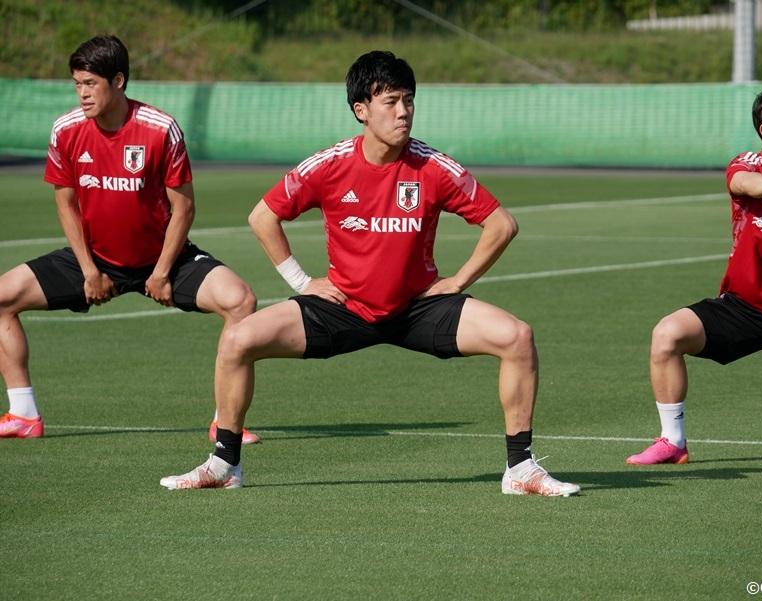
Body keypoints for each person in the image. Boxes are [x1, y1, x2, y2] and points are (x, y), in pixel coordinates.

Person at [161, 50, 580, 496]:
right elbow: (263, 216)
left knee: (517, 337)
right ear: (361, 110)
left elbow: (502, 225)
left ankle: (520, 468)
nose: (404, 112)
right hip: (343, 307)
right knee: (237, 340)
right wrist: (302, 282)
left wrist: (458, 282)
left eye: (409, 101)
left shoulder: (433, 167)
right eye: (391, 102)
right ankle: (225, 464)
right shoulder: (330, 164)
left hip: (417, 309)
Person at [0, 35, 261, 444]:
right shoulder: (66, 130)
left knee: (241, 301)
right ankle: (23, 414)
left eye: (91, 83)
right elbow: (66, 204)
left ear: (118, 81)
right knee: (2, 297)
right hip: (95, 259)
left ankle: (225, 423)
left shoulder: (160, 130)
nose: (83, 94)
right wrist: (89, 270)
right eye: (77, 84)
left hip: (163, 259)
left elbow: (184, 209)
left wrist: (161, 272)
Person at [627, 83, 762, 465]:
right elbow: (743, 183)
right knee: (667, 335)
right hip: (744, 308)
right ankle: (673, 442)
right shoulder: (749, 165)